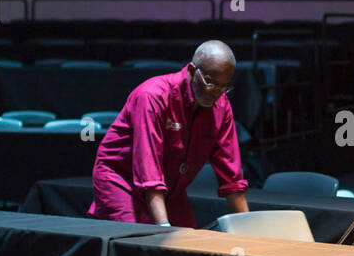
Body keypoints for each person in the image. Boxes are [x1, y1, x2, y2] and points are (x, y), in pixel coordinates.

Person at [88, 40, 249, 226]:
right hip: (122, 182)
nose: (216, 93)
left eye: (224, 87)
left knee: (188, 245)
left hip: (170, 187)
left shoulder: (221, 106)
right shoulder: (152, 96)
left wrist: (248, 228)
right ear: (191, 71)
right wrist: (163, 228)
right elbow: (148, 169)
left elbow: (232, 178)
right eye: (211, 83)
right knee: (138, 242)